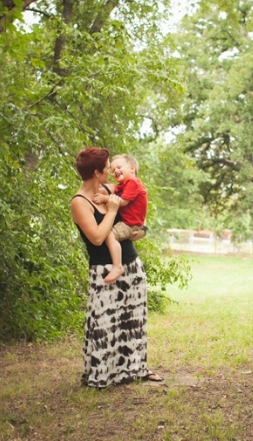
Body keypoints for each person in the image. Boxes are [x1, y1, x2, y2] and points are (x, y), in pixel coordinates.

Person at [70, 147, 163, 387]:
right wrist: (112, 210)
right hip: (104, 271)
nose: (111, 172)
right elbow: (99, 238)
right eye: (107, 168)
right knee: (104, 326)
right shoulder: (79, 203)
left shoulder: (109, 189)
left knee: (133, 323)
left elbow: (136, 211)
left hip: (131, 266)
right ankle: (102, 375)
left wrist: (141, 231)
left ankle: (135, 369)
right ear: (96, 172)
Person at [101, 154, 148, 283]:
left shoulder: (132, 182)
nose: (115, 171)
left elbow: (123, 202)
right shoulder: (124, 185)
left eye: (119, 167)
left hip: (129, 224)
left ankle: (117, 266)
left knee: (109, 235)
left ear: (132, 168)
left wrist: (104, 198)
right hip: (130, 223)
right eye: (113, 170)